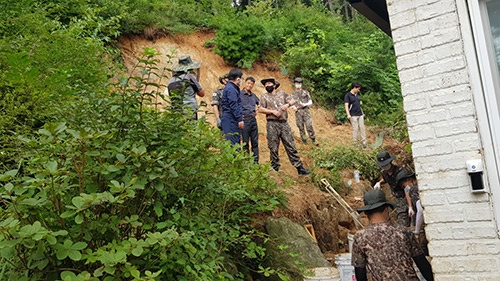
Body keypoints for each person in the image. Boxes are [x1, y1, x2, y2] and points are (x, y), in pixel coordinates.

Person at [352, 189, 434, 281]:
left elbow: (360, 274)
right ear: (387, 208)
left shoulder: (360, 238)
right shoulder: (404, 232)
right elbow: (423, 265)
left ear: (366, 212)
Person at [258, 78, 311, 175]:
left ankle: (299, 168)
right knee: (273, 146)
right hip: (271, 123)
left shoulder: (282, 93)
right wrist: (272, 111)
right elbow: (260, 109)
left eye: (269, 83)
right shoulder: (264, 96)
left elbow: (293, 100)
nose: (267, 85)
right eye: (265, 84)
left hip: (283, 123)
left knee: (290, 145)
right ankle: (275, 168)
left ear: (274, 85)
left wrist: (287, 105)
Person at [395, 168, 428, 253]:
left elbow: (420, 210)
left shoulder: (413, 190)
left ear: (409, 180)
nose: (405, 188)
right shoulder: (422, 187)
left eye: (404, 186)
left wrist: (416, 231)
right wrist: (410, 207)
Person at [372, 151, 408, 226]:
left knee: (403, 220)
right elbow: (386, 179)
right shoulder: (384, 173)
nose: (384, 166)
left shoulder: (401, 172)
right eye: (383, 165)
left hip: (406, 196)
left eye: (386, 164)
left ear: (390, 162)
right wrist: (379, 182)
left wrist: (410, 205)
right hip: (397, 198)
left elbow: (407, 188)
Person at [167, 55, 206, 120]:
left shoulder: (171, 80)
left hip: (176, 111)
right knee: (191, 128)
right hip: (189, 109)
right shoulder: (189, 76)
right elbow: (202, 93)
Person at [290, 77, 317, 146]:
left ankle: (313, 139)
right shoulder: (293, 94)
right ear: (294, 84)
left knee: (309, 125)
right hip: (298, 112)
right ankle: (304, 140)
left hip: (306, 111)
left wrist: (304, 104)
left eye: (299, 83)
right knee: (300, 126)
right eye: (296, 83)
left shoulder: (305, 92)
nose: (298, 84)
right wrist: (294, 107)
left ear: (301, 84)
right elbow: (290, 104)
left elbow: (310, 101)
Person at [221, 68, 244, 146]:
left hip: (231, 118)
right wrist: (239, 119)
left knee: (235, 142)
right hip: (230, 119)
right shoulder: (231, 89)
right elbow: (234, 105)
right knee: (233, 144)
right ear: (237, 79)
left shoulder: (231, 88)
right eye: (241, 78)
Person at [240, 77, 260, 163]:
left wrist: (257, 110)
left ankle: (255, 162)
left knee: (255, 142)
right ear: (245, 83)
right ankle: (247, 162)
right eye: (248, 83)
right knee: (245, 142)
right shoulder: (239, 94)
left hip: (253, 120)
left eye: (251, 84)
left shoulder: (254, 96)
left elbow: (260, 104)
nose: (250, 85)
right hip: (244, 120)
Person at [344, 82, 366, 148]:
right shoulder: (348, 95)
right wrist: (348, 114)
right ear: (354, 88)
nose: (359, 90)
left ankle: (364, 142)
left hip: (360, 114)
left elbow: (359, 105)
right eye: (358, 89)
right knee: (355, 129)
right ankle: (355, 143)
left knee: (362, 128)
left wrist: (362, 112)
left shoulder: (357, 95)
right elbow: (346, 105)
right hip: (353, 115)